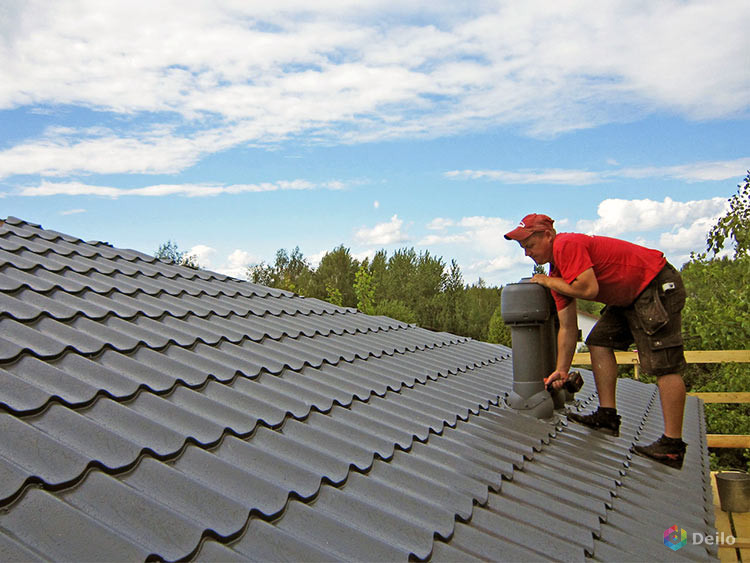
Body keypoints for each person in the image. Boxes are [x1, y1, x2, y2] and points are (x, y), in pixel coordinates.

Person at [504, 213, 688, 469]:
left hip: (655, 284)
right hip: (629, 298)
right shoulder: (557, 272)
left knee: (663, 363)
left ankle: (672, 445)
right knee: (599, 341)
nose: (527, 253)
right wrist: (562, 369)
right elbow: (568, 328)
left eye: (530, 245)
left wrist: (547, 282)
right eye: (523, 248)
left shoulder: (566, 245)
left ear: (548, 235)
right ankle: (607, 415)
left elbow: (588, 289)